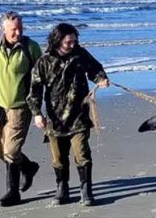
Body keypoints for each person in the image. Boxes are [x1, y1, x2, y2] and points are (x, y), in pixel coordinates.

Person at [27, 23, 109, 206]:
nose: (73, 44)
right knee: (58, 157)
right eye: (69, 42)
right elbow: (34, 90)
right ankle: (62, 188)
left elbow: (95, 68)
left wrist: (101, 78)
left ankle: (86, 191)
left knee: (82, 153)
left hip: (79, 115)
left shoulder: (80, 54)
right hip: (55, 119)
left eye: (75, 40)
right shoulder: (44, 61)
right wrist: (37, 114)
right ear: (58, 40)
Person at [0, 11, 42, 207]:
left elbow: (40, 78)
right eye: (13, 29)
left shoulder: (31, 47)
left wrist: (37, 107)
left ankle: (13, 193)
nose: (17, 33)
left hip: (20, 107)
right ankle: (28, 167)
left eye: (20, 28)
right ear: (3, 29)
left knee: (11, 150)